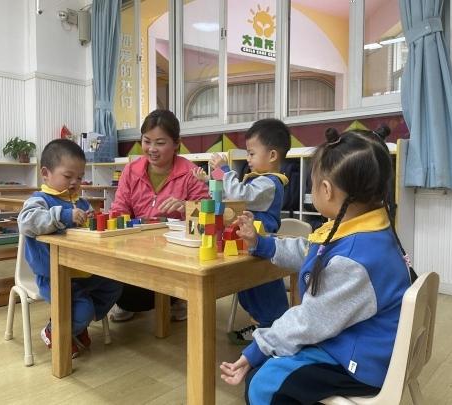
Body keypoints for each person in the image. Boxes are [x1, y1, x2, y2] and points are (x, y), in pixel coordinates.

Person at [220, 127, 413, 404]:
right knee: (271, 365)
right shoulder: (367, 229)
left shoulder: (353, 261)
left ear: (327, 190)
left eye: (312, 184)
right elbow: (311, 250)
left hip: (359, 360)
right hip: (362, 340)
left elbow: (309, 320)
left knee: (262, 384)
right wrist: (262, 244)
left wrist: (258, 348)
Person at [18, 139, 123, 358]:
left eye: (80, 177)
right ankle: (55, 331)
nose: (75, 182)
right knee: (83, 309)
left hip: (83, 270)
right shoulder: (39, 200)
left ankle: (76, 324)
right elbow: (26, 222)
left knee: (114, 283)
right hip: (54, 275)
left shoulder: (81, 202)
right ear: (45, 173)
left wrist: (93, 220)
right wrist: (64, 215)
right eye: (68, 176)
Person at [193, 118, 292, 345]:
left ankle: (274, 330)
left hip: (261, 242)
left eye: (251, 153)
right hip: (247, 241)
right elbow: (229, 194)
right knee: (247, 287)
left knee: (264, 289)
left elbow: (239, 194)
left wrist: (225, 169)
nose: (248, 159)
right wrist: (210, 180)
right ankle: (260, 327)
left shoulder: (270, 183)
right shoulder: (258, 180)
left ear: (272, 155)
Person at [108, 109, 209, 322]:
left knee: (165, 287)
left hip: (174, 256)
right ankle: (130, 300)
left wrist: (186, 207)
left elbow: (206, 215)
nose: (152, 149)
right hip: (138, 252)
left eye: (160, 143)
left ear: (176, 144)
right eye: (147, 141)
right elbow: (119, 209)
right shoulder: (131, 170)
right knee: (120, 289)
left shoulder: (191, 173)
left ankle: (178, 299)